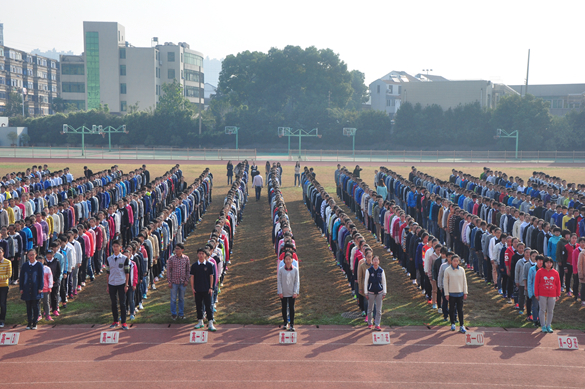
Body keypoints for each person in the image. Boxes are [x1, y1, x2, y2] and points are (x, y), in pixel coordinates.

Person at [105, 240, 130, 330]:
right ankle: (115, 320)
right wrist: (108, 285)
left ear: (120, 247)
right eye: (114, 246)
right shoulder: (109, 259)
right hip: (112, 283)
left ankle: (124, 322)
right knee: (113, 303)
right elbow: (108, 272)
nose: (115, 248)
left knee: (122, 303)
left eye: (117, 246)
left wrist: (126, 284)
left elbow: (127, 272)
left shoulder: (124, 259)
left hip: (121, 283)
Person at [190, 248, 216, 331]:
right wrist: (193, 288)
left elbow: (211, 276)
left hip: (207, 289)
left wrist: (211, 287)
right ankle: (200, 321)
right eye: (199, 253)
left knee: (208, 306)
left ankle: (210, 323)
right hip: (198, 289)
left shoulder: (210, 265)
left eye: (202, 253)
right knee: (199, 306)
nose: (201, 255)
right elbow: (192, 277)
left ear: (205, 255)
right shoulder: (194, 266)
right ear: (197, 255)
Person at [534, 256, 561, 333]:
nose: (549, 264)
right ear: (544, 263)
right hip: (542, 294)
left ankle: (548, 325)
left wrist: (558, 294)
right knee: (542, 310)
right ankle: (543, 325)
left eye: (550, 262)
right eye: (547, 262)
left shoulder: (555, 273)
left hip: (552, 294)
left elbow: (558, 284)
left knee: (550, 310)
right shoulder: (539, 272)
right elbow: (536, 284)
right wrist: (536, 294)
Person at [20, 249, 44, 330]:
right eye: (29, 255)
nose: (31, 257)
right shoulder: (25, 265)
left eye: (32, 255)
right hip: (26, 289)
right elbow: (22, 278)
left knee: (35, 306)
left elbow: (41, 277)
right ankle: (29, 322)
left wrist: (40, 287)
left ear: (36, 255)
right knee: (28, 306)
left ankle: (34, 322)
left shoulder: (39, 265)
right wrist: (21, 288)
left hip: (35, 289)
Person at [443, 254, 468, 333]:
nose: (455, 262)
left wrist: (465, 292)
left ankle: (461, 325)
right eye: (454, 261)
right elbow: (445, 283)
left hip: (460, 293)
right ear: (451, 261)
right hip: (451, 293)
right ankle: (453, 324)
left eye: (457, 261)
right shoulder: (447, 270)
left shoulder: (462, 270)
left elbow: (464, 281)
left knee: (460, 310)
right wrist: (446, 293)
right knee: (452, 309)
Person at [167, 243, 190, 320]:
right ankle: (173, 314)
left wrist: (187, 280)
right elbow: (168, 271)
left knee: (181, 299)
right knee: (173, 299)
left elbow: (188, 270)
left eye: (178, 249)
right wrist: (169, 281)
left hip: (183, 282)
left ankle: (181, 314)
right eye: (175, 248)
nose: (176, 250)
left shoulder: (186, 258)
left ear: (182, 250)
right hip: (174, 282)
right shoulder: (171, 259)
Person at [277, 252, 300, 332]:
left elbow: (296, 282)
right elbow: (279, 281)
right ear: (284, 260)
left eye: (289, 259)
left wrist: (295, 292)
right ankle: (285, 322)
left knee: (291, 308)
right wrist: (280, 292)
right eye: (286, 259)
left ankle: (292, 324)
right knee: (284, 307)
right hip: (283, 292)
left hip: (291, 293)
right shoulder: (281, 270)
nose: (288, 261)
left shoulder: (295, 270)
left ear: (292, 260)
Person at [364, 255, 387, 331]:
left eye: (377, 260)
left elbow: (384, 282)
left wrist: (384, 292)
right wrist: (366, 292)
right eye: (374, 260)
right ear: (372, 261)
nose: (376, 261)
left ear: (379, 261)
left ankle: (377, 324)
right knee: (370, 309)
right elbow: (366, 282)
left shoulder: (381, 270)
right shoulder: (369, 270)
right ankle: (370, 323)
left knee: (379, 310)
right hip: (371, 292)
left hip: (379, 292)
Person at [0, 247, 11, 327]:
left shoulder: (8, 262)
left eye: (0, 252)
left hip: (3, 286)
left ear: (3, 253)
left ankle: (2, 320)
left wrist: (1, 277)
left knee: (2, 303)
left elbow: (9, 275)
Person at [41, 255, 54, 321]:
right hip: (37, 289)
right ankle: (39, 315)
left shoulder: (47, 269)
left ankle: (48, 315)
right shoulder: (35, 268)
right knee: (37, 303)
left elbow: (50, 278)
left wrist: (50, 287)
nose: (40, 262)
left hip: (45, 288)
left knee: (46, 302)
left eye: (41, 261)